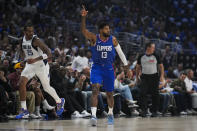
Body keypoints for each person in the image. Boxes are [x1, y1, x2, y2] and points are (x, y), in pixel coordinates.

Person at [81, 6, 128, 126]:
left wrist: (126, 65)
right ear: (101, 30)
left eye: (109, 29)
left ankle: (110, 113)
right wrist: (83, 18)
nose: (109, 30)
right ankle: (93, 116)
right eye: (106, 29)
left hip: (108, 68)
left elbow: (120, 52)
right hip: (96, 68)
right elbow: (83, 31)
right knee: (95, 90)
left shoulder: (113, 40)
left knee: (109, 93)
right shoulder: (94, 38)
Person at [15, 22, 65, 119]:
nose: (31, 33)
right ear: (24, 32)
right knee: (21, 83)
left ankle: (59, 101)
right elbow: (22, 50)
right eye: (28, 31)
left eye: (32, 31)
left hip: (41, 65)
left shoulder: (36, 40)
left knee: (46, 88)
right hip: (30, 65)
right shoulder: (22, 40)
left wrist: (35, 59)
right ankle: (24, 110)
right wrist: (23, 60)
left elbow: (49, 53)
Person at [136, 42, 165, 117]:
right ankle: (144, 111)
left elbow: (161, 66)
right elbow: (138, 67)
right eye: (153, 47)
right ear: (148, 48)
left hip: (154, 77)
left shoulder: (156, 55)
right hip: (144, 77)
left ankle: (154, 111)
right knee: (143, 93)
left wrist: (162, 76)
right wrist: (137, 77)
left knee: (155, 94)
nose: (154, 49)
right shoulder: (141, 56)